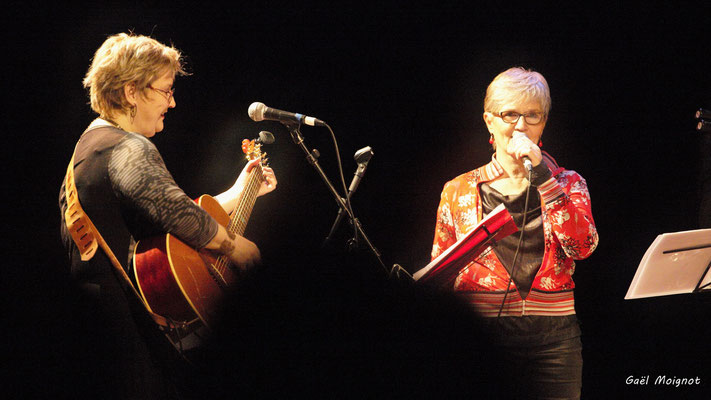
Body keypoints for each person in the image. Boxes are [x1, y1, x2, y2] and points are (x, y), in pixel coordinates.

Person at [58, 33, 276, 398]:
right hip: (131, 345)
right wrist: (234, 246)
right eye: (166, 90)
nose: (172, 103)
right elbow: (173, 211)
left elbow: (165, 213)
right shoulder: (127, 146)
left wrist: (239, 193)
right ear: (131, 92)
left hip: (100, 337)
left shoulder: (89, 149)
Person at [431, 67, 598, 399]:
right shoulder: (458, 189)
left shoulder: (568, 183)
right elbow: (441, 275)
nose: (521, 125)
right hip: (482, 339)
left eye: (532, 115)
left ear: (544, 123)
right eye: (510, 114)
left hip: (555, 341)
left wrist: (544, 180)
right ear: (489, 120)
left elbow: (582, 247)